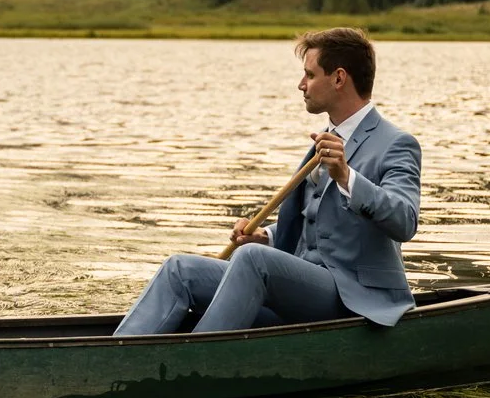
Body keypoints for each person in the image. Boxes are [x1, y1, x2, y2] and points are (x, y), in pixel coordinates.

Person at [114, 27, 419, 336]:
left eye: (310, 75)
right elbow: (316, 221)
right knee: (180, 269)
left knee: (252, 259)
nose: (301, 85)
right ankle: (117, 357)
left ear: (339, 78)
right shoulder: (327, 140)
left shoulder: (395, 144)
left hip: (356, 297)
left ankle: (193, 365)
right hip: (302, 288)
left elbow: (405, 221)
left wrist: (347, 177)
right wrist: (268, 238)